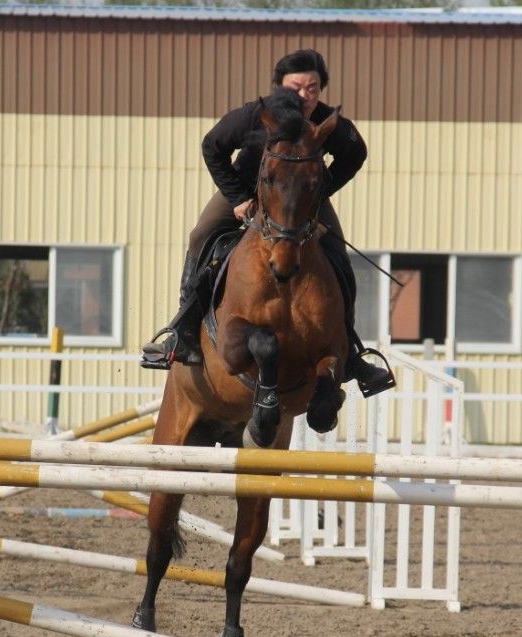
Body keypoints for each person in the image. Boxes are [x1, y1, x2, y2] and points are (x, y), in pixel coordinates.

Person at [141, 49, 393, 396]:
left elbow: (356, 153)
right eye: (296, 87)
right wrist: (237, 198)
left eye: (313, 89)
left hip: (298, 202)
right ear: (279, 87)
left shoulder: (324, 123)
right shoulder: (254, 115)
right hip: (246, 189)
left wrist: (319, 192)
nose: (305, 96)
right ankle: (181, 331)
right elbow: (212, 145)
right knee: (200, 234)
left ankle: (350, 349)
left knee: (336, 248)